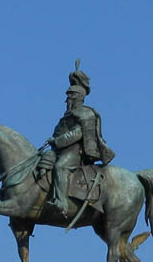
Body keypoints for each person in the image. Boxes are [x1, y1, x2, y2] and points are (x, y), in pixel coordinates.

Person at [44, 61, 115, 215]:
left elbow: (77, 134)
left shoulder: (85, 114)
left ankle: (61, 201)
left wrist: (57, 141)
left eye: (70, 96)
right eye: (67, 96)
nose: (67, 99)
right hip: (60, 151)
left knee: (60, 167)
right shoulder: (69, 114)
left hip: (75, 153)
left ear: (78, 97)